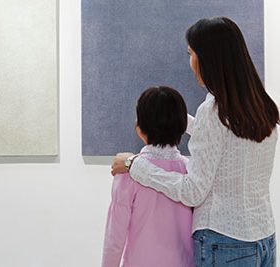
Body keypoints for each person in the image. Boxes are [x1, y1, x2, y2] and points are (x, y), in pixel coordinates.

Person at [111, 17, 279, 266]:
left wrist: (135, 165)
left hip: (223, 242)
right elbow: (226, 137)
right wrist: (176, 118)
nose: (190, 62)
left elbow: (192, 192)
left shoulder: (213, 111)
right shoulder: (262, 106)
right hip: (264, 239)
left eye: (191, 53)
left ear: (209, 58)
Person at [102, 86, 195, 267]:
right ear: (182, 127)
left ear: (139, 127)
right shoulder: (190, 171)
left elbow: (115, 238)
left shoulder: (128, 172)